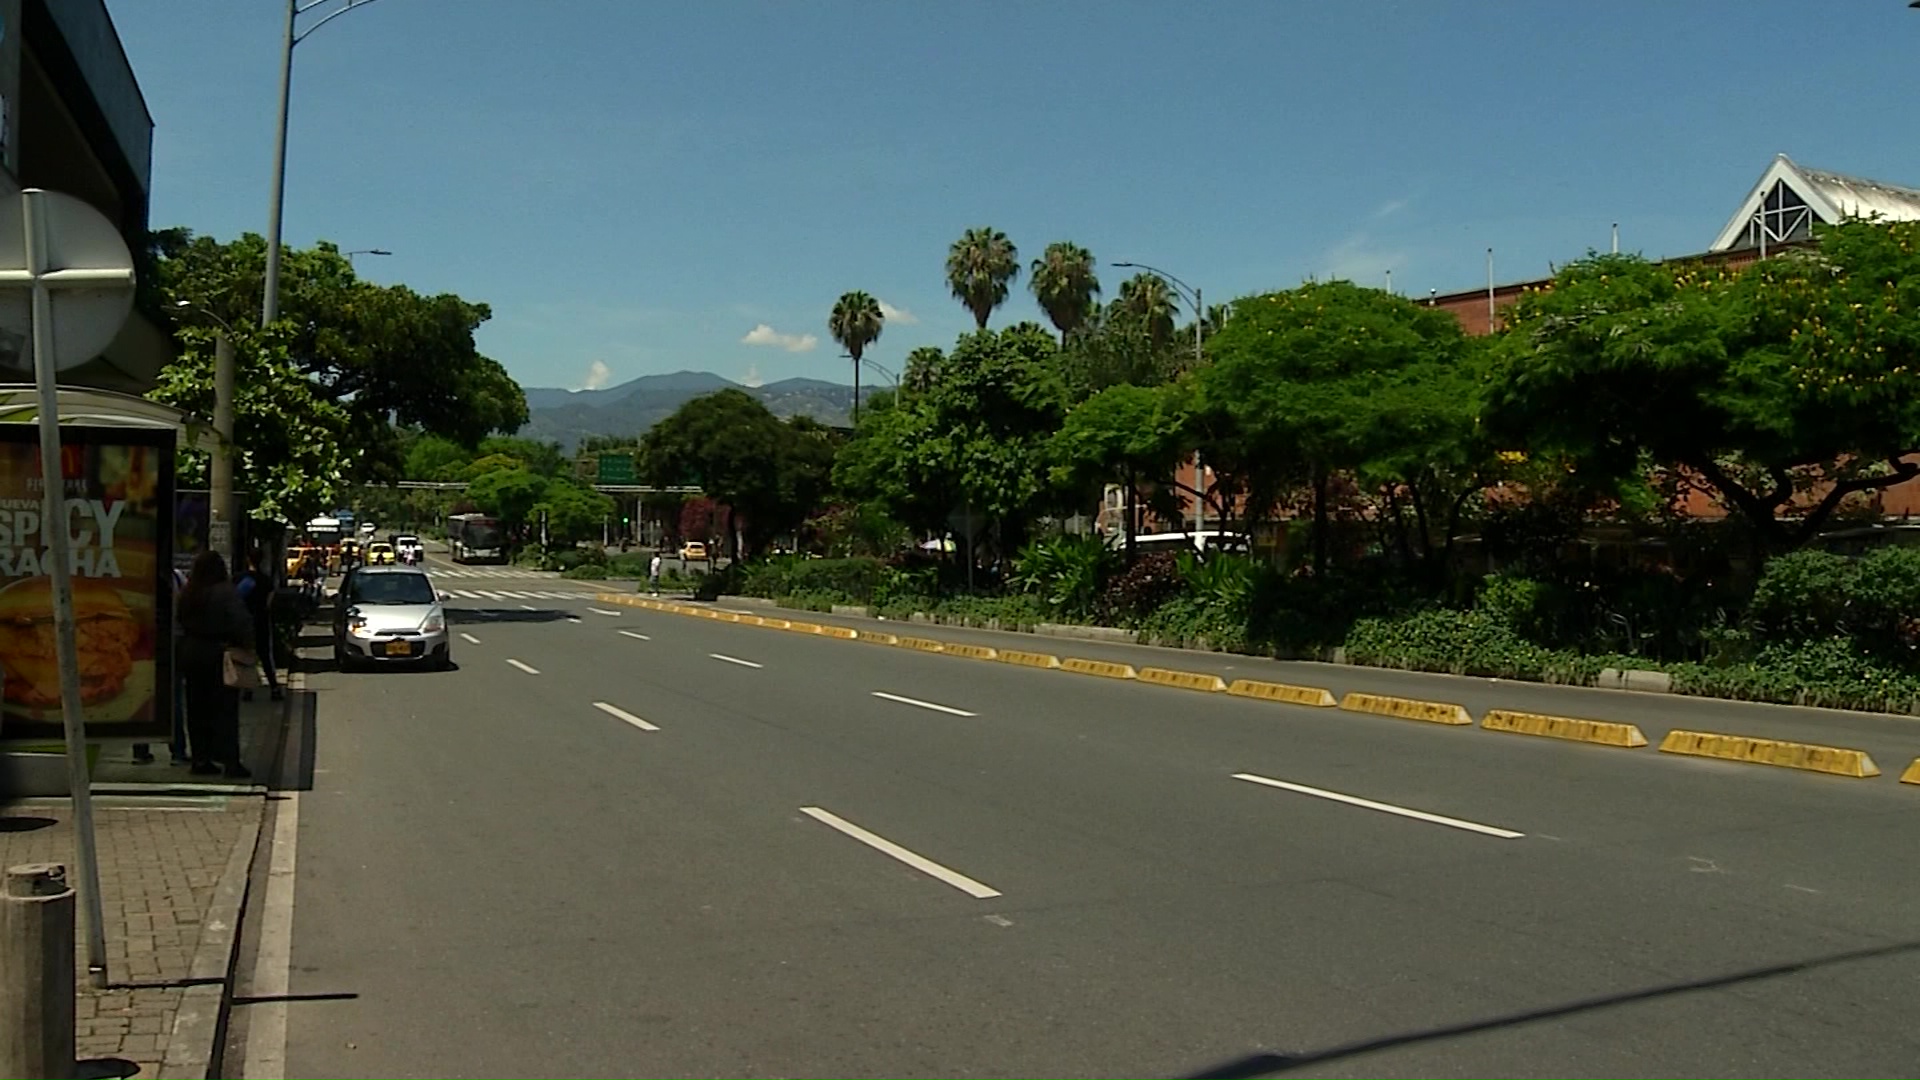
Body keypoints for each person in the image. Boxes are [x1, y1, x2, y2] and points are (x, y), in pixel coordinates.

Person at [176, 551, 254, 779]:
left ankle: (201, 758)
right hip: (219, 653)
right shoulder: (225, 591)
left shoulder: (189, 592)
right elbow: (241, 621)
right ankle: (230, 761)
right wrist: (247, 646)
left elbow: (179, 619)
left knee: (196, 707)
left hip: (192, 651)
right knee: (225, 709)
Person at [132, 566, 192, 766]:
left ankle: (141, 750)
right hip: (170, 643)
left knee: (143, 697)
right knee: (172, 700)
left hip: (144, 645)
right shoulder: (175, 577)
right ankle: (177, 752)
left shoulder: (139, 580)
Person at [235, 550, 284, 703]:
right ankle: (274, 688)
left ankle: (248, 690)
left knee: (248, 655)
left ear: (248, 559)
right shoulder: (266, 581)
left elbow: (235, 600)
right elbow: (269, 603)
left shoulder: (240, 578)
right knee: (265, 656)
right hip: (261, 620)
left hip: (245, 622)